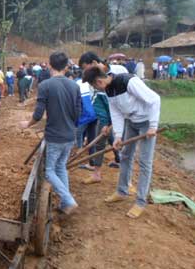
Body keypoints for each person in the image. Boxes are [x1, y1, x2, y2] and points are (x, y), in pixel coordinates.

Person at [83, 67, 160, 219]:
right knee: (125, 155)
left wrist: (153, 126)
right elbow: (116, 112)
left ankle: (140, 202)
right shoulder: (108, 90)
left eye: (94, 86)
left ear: (99, 81)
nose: (95, 88)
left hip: (146, 122)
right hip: (131, 121)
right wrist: (118, 135)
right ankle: (121, 191)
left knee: (145, 162)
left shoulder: (128, 81)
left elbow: (155, 99)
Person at [20, 52, 81, 215]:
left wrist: (28, 124)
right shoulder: (74, 86)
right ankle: (64, 203)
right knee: (61, 166)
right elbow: (78, 113)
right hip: (70, 135)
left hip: (55, 136)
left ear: (50, 65)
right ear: (66, 66)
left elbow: (38, 114)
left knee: (49, 171)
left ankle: (68, 200)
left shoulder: (45, 85)